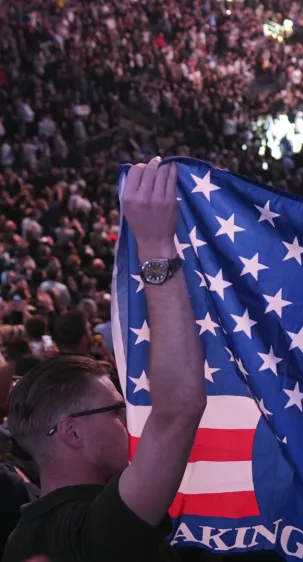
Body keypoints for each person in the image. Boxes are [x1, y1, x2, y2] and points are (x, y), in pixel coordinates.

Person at [3, 158, 205, 562]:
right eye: (116, 410)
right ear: (72, 433)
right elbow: (178, 408)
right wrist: (156, 246)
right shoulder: (87, 531)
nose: (130, 419)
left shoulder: (25, 537)